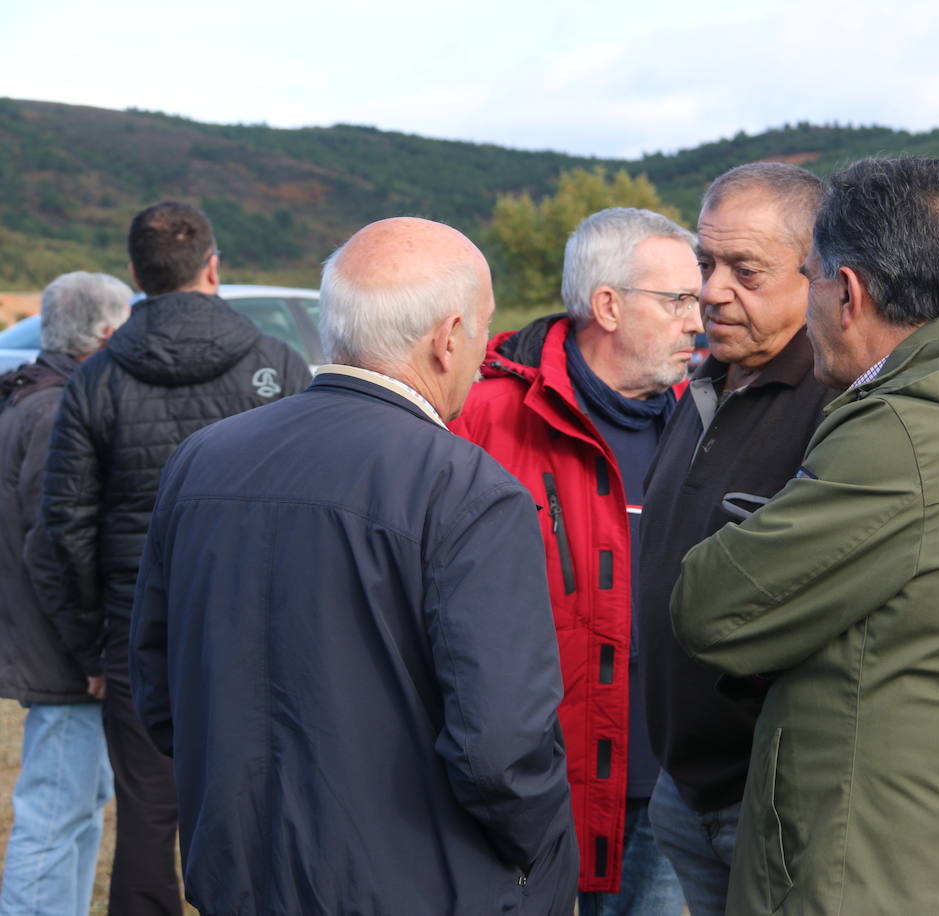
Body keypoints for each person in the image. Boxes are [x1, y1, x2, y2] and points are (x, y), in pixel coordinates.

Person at [128, 216, 579, 915]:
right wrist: (542, 855)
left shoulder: (203, 459)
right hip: (411, 884)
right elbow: (502, 753)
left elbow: (160, 693)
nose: (485, 355)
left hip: (239, 870)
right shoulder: (467, 491)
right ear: (446, 337)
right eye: (484, 333)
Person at [671, 156, 939, 914]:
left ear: (846, 291)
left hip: (882, 868)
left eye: (812, 277)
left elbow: (710, 604)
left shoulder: (903, 435)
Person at [40, 201, 311, 916]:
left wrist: (91, 642)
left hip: (138, 631)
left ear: (135, 274)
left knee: (147, 816)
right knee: (264, 802)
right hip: (265, 629)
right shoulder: (278, 362)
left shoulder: (95, 380)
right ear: (214, 267)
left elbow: (64, 524)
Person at [451, 207, 696, 915]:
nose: (697, 319)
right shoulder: (486, 415)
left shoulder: (705, 422)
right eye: (676, 300)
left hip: (664, 792)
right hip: (528, 800)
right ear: (608, 305)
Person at [636, 162, 836, 916]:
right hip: (684, 792)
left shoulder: (836, 404)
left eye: (745, 270)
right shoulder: (701, 386)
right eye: (706, 264)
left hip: (770, 803)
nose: (713, 290)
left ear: (818, 273)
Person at [0, 272, 130, 916]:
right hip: (63, 658)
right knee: (54, 816)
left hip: (56, 648)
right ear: (105, 334)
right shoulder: (56, 410)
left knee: (77, 810)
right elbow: (50, 546)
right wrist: (92, 656)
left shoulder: (35, 395)